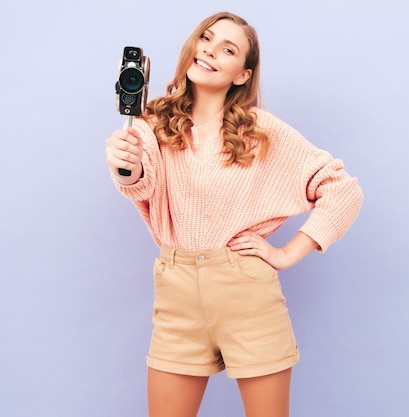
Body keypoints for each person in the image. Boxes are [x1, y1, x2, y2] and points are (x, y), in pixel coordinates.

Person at [105, 11, 363, 417]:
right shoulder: (150, 124)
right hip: (177, 293)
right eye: (205, 38)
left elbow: (342, 189)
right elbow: (140, 182)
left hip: (247, 293)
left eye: (227, 49)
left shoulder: (261, 130)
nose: (209, 50)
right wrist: (125, 164)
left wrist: (288, 253)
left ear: (242, 75)